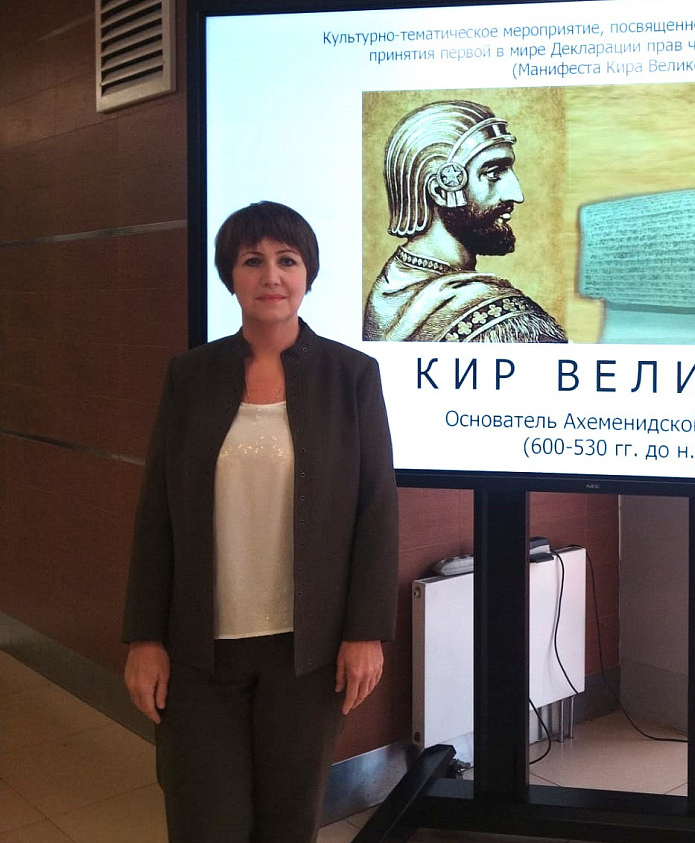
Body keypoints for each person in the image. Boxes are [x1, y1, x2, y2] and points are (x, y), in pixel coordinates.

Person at [122, 201, 400, 843]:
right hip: (198, 649)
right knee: (204, 820)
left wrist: (366, 631)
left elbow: (376, 510)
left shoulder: (351, 376)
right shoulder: (190, 376)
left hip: (308, 653)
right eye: (253, 261)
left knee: (288, 822)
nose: (271, 275)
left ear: (307, 274)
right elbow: (157, 512)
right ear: (231, 275)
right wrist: (144, 637)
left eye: (287, 260)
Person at [363, 99, 567, 342]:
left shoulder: (390, 287)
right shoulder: (505, 319)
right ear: (441, 191)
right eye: (493, 173)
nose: (516, 194)